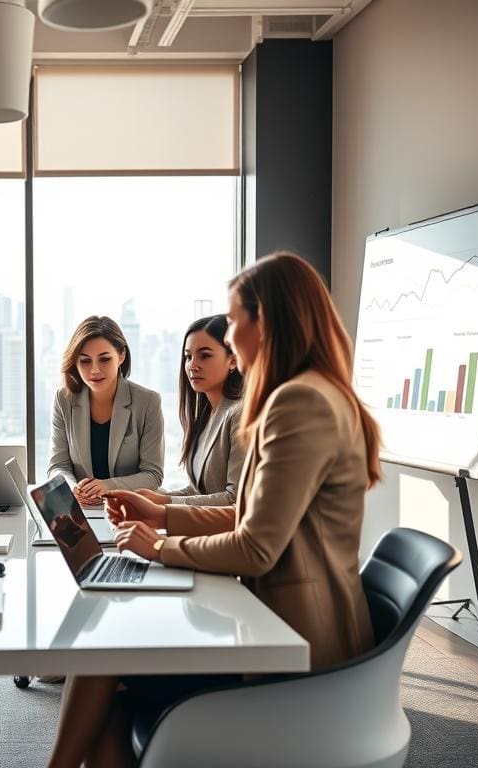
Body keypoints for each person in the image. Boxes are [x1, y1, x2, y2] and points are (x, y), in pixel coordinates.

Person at [47, 252, 381, 768]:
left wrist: (158, 546)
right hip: (272, 622)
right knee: (104, 660)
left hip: (295, 647)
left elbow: (255, 546)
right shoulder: (307, 395)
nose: (227, 342)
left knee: (103, 661)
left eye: (233, 325)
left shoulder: (298, 404)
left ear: (264, 322)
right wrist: (160, 514)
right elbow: (250, 514)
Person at [48, 316, 164, 506]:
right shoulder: (64, 399)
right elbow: (58, 465)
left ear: (121, 356)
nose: (94, 370)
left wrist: (108, 486)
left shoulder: (148, 401)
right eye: (85, 361)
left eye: (104, 359)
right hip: (82, 508)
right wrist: (72, 488)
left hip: (131, 508)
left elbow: (153, 474)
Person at [139, 314, 244, 507]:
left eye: (204, 355)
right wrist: (148, 499)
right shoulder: (204, 415)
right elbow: (198, 491)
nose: (192, 365)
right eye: (188, 356)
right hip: (199, 530)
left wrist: (164, 502)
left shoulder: (240, 414)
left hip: (223, 534)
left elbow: (235, 498)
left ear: (233, 360)